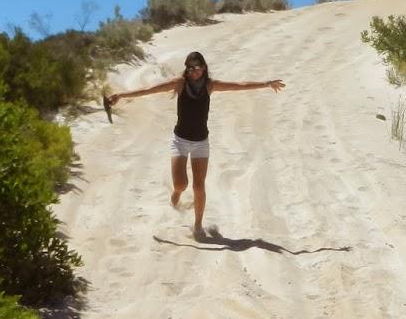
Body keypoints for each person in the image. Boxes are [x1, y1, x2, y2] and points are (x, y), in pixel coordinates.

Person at [107, 51, 285, 238]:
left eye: (196, 67)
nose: (193, 71)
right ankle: (176, 195)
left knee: (199, 186)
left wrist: (266, 84)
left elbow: (238, 86)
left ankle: (198, 225)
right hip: (180, 141)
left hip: (201, 142)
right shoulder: (180, 84)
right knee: (181, 184)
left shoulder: (210, 85)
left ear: (204, 68)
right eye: (189, 68)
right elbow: (149, 90)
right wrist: (121, 95)